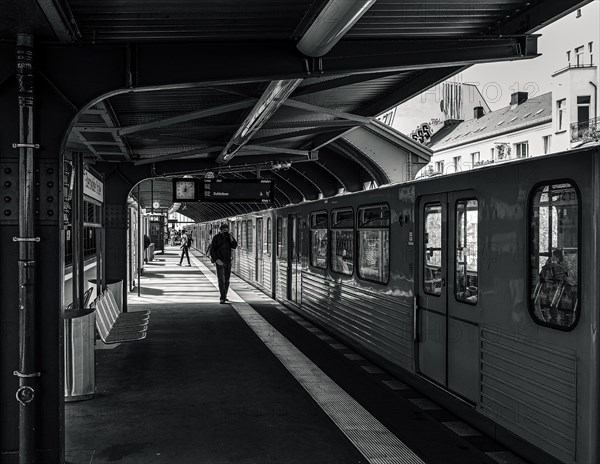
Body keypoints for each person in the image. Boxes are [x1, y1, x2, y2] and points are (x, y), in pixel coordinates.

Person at [210, 223, 238, 303]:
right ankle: (222, 297)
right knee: (221, 280)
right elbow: (212, 250)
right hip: (220, 261)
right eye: (224, 229)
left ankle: (224, 296)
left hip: (228, 261)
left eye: (227, 229)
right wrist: (216, 259)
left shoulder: (229, 237)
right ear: (221, 230)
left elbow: (234, 246)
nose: (226, 230)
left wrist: (231, 237)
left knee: (227, 280)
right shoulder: (216, 238)